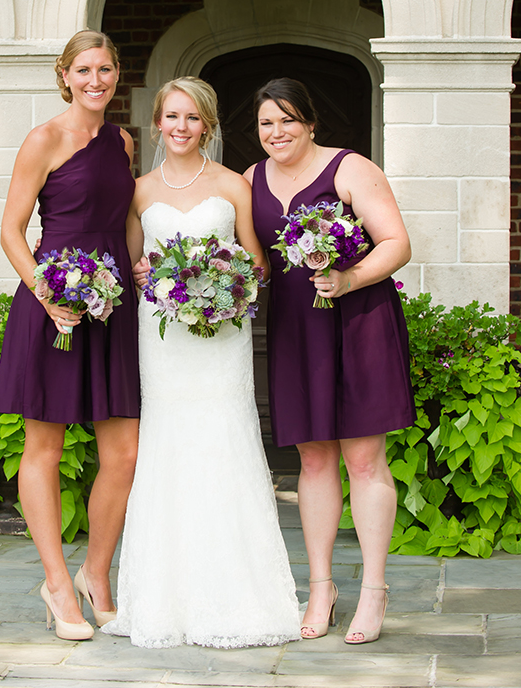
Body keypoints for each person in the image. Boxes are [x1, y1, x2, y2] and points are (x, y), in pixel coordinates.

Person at [104, 77, 301, 649]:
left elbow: (258, 264)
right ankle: (163, 599)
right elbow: (134, 264)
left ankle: (240, 597)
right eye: (172, 117)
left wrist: (230, 280)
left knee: (223, 442)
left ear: (207, 125)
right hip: (163, 341)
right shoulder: (138, 190)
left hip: (222, 338)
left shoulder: (234, 185)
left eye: (193, 118)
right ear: (158, 124)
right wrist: (144, 275)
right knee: (168, 447)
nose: (181, 127)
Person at [245, 77, 415, 646]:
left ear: (311, 122)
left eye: (289, 120)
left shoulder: (349, 169)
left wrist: (348, 278)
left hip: (359, 320)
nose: (278, 132)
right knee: (312, 462)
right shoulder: (250, 180)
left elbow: (395, 242)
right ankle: (321, 587)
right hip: (297, 328)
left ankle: (373, 590)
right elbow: (254, 259)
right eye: (267, 123)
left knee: (364, 461)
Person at [0, 30, 140, 642]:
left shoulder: (123, 140)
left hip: (113, 306)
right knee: (44, 450)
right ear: (65, 75)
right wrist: (47, 295)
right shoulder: (43, 139)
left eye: (105, 69)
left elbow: (125, 218)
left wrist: (140, 271)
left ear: (115, 74)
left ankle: (95, 575)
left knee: (124, 452)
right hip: (52, 305)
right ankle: (56, 582)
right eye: (84, 69)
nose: (96, 80)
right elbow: (10, 229)